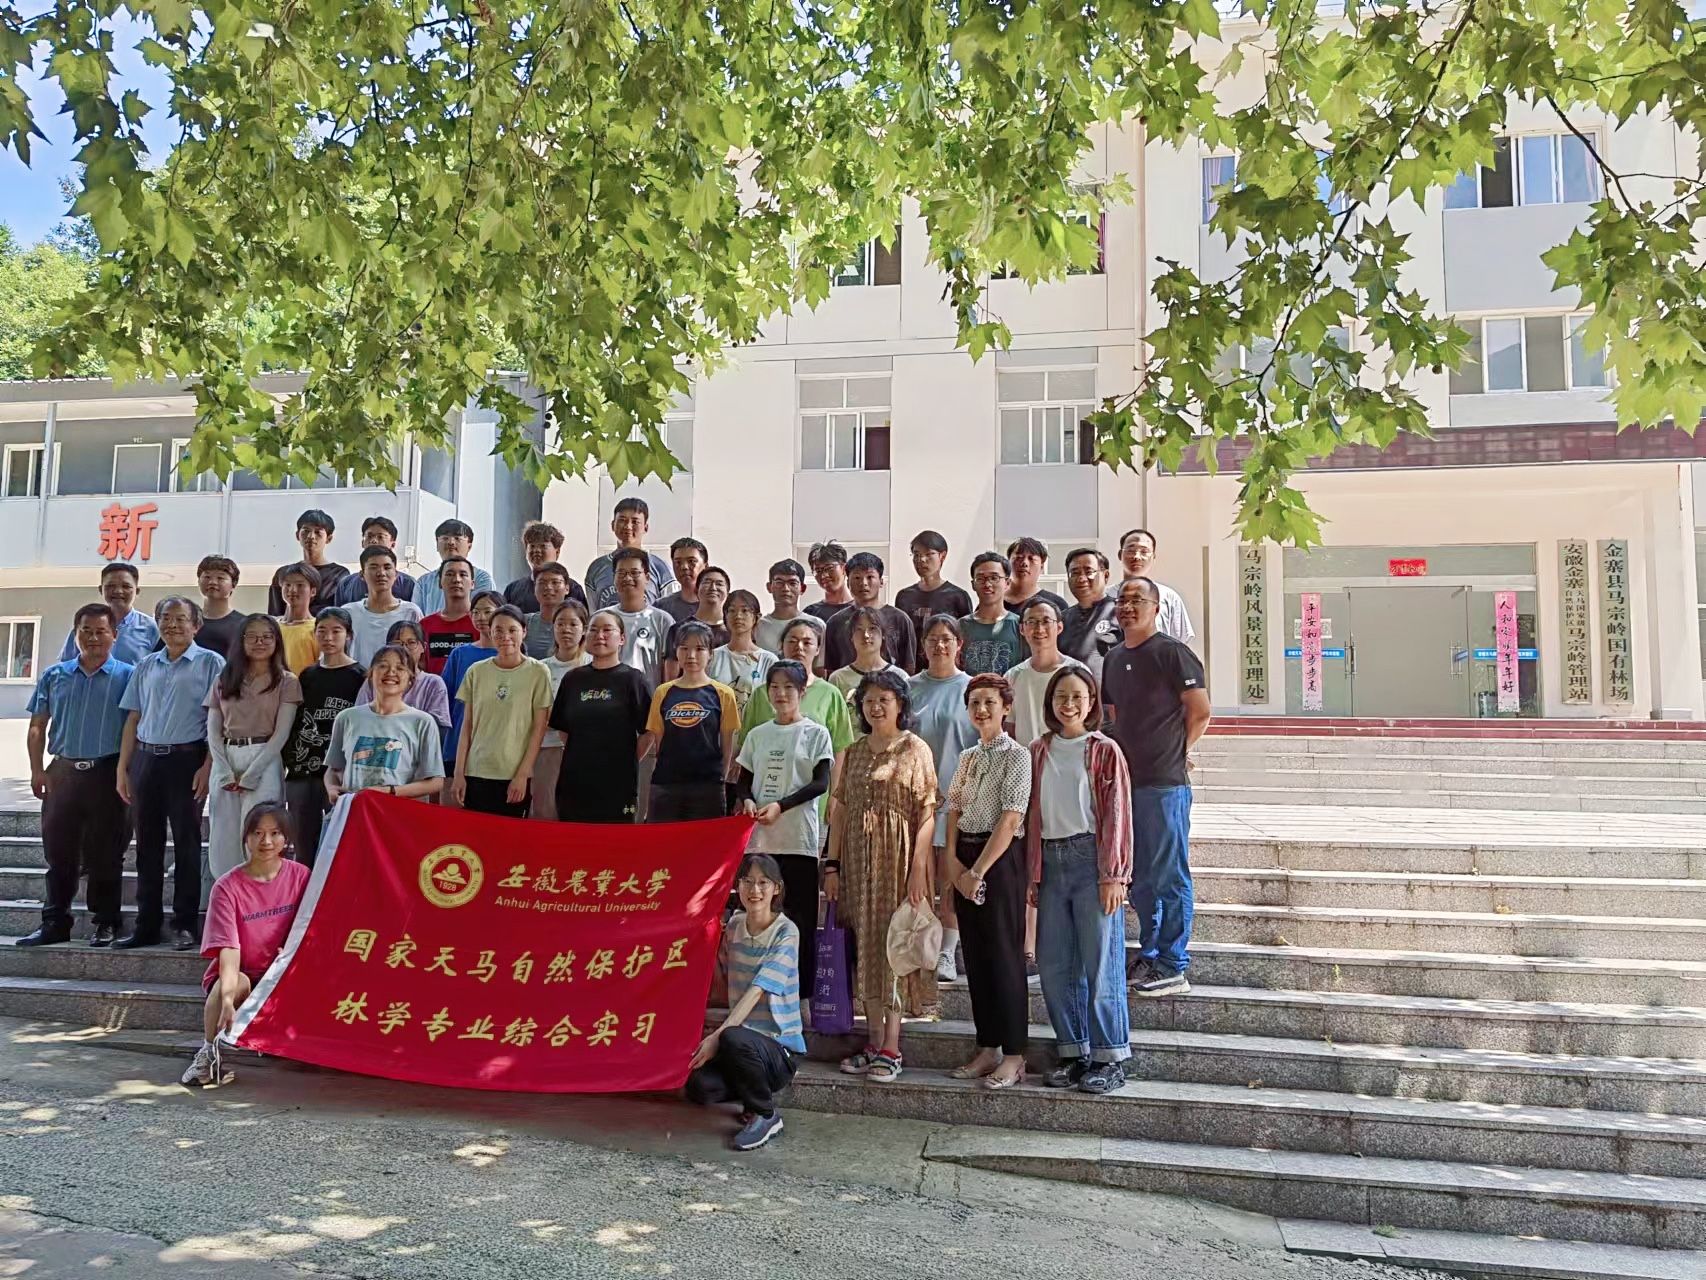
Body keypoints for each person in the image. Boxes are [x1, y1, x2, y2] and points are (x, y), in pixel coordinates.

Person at [827, 670, 939, 1083]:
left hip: (899, 863)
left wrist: (918, 870)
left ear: (900, 705)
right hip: (858, 865)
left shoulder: (915, 749)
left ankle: (892, 1045)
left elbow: (927, 813)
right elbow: (840, 811)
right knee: (866, 947)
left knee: (894, 948)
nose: (876, 707)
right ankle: (873, 1040)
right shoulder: (854, 752)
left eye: (884, 699)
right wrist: (832, 865)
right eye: (869, 700)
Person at [1102, 577, 1211, 997]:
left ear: (1156, 606)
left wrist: (1176, 750)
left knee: (1169, 874)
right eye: (1122, 600)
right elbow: (1114, 715)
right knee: (1142, 876)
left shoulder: (1173, 653)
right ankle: (1149, 954)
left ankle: (1173, 963)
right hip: (1126, 783)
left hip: (1165, 784)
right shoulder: (1114, 658)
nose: (1128, 607)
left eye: (1137, 600)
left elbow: (1200, 712)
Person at [1028, 666, 1133, 1094]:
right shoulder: (1038, 750)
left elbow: (1118, 814)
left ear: (1091, 703)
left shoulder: (1104, 750)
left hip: (1092, 861)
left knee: (1100, 963)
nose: (1068, 704)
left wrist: (1114, 875)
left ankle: (1111, 1057)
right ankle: (1074, 1052)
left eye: (1077, 696)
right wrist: (1033, 874)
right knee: (1054, 966)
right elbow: (1031, 816)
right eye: (1061, 696)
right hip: (1051, 863)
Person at [18, 603, 134, 948]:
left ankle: (106, 922)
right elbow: (37, 726)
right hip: (62, 773)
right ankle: (55, 922)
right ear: (75, 634)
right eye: (86, 631)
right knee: (59, 852)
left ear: (114, 635)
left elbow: (136, 727)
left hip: (108, 774)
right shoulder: (55, 675)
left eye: (101, 631)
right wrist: (37, 770)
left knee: (107, 853)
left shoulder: (129, 676)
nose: (94, 638)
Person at [115, 597, 223, 951]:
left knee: (187, 844)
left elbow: (218, 720)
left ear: (196, 625)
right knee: (147, 845)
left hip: (187, 760)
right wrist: (123, 768)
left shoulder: (211, 663)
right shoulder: (146, 665)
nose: (172, 625)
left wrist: (208, 765)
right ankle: (146, 925)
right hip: (146, 760)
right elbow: (133, 717)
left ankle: (184, 925)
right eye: (165, 618)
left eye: (180, 618)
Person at [942, 673, 1032, 1089]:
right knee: (976, 958)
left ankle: (1014, 1054)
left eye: (989, 702)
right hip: (964, 856)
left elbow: (1011, 818)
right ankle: (987, 1046)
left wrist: (977, 872)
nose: (981, 710)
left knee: (1004, 957)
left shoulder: (1018, 756)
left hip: (999, 861)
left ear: (1006, 707)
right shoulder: (967, 757)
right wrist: (952, 863)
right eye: (974, 703)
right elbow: (954, 810)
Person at [183, 802, 309, 1087]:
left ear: (286, 838)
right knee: (229, 985)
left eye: (275, 833)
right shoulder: (227, 887)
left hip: (284, 973)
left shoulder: (301, 876)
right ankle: (208, 1054)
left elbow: (309, 929)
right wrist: (228, 998)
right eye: (258, 833)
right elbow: (229, 948)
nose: (266, 841)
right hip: (243, 973)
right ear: (246, 837)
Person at [686, 853, 805, 1151]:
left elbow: (757, 990)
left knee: (732, 1036)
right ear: (737, 886)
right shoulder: (735, 927)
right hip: (739, 1045)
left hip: (777, 1049)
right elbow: (719, 981)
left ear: (777, 888)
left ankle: (766, 1114)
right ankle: (749, 1099)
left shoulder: (786, 932)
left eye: (764, 882)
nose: (755, 890)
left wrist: (716, 1036)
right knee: (699, 1086)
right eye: (747, 881)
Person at [736, 662, 833, 1001]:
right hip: (760, 844)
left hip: (798, 842)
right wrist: (748, 801)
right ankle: (757, 996)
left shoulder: (816, 734)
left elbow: (820, 783)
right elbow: (743, 782)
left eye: (789, 687)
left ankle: (801, 998)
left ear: (802, 692)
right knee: (760, 917)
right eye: (774, 687)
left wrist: (782, 805)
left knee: (800, 921)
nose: (781, 693)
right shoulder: (757, 735)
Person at [204, 615, 301, 889]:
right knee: (223, 837)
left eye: (267, 636)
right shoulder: (224, 678)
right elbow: (213, 729)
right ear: (241, 641)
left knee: (262, 835)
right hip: (226, 757)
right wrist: (223, 768)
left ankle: (260, 898)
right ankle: (227, 897)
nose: (260, 642)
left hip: (264, 758)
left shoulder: (287, 681)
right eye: (252, 636)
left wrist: (254, 772)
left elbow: (281, 733)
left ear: (277, 641)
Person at [908, 615, 976, 984]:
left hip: (957, 798)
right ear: (923, 645)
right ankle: (922, 945)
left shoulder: (970, 689)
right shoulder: (910, 688)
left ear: (958, 644)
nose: (939, 645)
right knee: (920, 875)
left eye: (947, 638)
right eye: (932, 639)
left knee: (949, 877)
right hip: (915, 798)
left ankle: (948, 950)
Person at [549, 610, 655, 823]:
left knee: (615, 839)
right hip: (575, 780)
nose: (600, 636)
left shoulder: (634, 680)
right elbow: (563, 730)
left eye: (607, 630)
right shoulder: (573, 679)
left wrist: (627, 759)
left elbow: (649, 731)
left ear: (622, 638)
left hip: (619, 782)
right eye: (593, 630)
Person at [282, 607, 365, 865]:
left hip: (340, 772)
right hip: (302, 771)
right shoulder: (307, 675)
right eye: (322, 631)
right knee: (302, 846)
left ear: (348, 635)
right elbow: (296, 720)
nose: (328, 637)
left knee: (338, 847)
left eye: (336, 631)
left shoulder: (360, 676)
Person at [452, 605, 552, 817]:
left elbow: (539, 728)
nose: (505, 637)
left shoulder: (538, 672)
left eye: (512, 630)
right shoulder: (476, 671)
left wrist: (523, 774)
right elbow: (467, 726)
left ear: (524, 631)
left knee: (511, 835)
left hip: (513, 774)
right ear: (490, 632)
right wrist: (459, 773)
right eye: (498, 630)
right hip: (476, 771)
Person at [325, 646, 446, 800]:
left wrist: (390, 791)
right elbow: (333, 770)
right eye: (383, 666)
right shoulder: (346, 718)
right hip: (355, 809)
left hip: (398, 812)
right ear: (371, 675)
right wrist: (332, 788)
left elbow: (435, 782)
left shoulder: (423, 722)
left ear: (410, 680)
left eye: (400, 668)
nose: (391, 672)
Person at [646, 621, 737, 821]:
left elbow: (727, 745)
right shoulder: (663, 692)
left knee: (704, 840)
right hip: (666, 785)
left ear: (710, 654)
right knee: (664, 839)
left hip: (707, 787)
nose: (691, 655)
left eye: (699, 649)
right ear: (676, 652)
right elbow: (659, 742)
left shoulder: (723, 693)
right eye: (684, 648)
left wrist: (719, 780)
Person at [738, 619, 854, 762]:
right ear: (781, 646)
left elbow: (839, 748)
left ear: (818, 649)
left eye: (807, 643)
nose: (799, 647)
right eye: (792, 641)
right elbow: (746, 744)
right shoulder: (762, 693)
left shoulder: (830, 694)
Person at [530, 602, 590, 820]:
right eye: (560, 624)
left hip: (586, 751)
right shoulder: (540, 668)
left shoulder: (594, 665)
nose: (566, 630)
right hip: (547, 748)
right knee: (546, 810)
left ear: (584, 629)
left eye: (573, 624)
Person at [441, 590, 503, 783]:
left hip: (496, 744)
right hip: (458, 738)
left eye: (487, 611)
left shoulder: (511, 656)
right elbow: (446, 699)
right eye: (475, 612)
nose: (481, 617)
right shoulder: (459, 654)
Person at [1005, 598, 1086, 746]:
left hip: (1068, 757)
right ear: (1022, 629)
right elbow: (1009, 727)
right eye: (1031, 622)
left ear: (1059, 627)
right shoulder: (1012, 676)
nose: (1039, 629)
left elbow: (1088, 723)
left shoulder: (1078, 672)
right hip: (1026, 759)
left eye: (1046, 621)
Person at [822, 552, 917, 674]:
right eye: (857, 578)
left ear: (881, 581)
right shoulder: (835, 622)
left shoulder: (900, 619)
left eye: (870, 577)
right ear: (848, 583)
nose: (864, 583)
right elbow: (831, 669)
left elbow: (908, 667)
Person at [354, 620, 452, 735]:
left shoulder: (433, 683)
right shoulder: (375, 680)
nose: (404, 649)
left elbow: (437, 728)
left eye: (411, 643)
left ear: (423, 647)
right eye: (397, 643)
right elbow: (360, 718)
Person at [895, 531, 972, 673]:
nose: (921, 560)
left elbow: (965, 641)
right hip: (912, 673)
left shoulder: (958, 596)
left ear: (942, 556)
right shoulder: (904, 596)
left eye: (929, 554)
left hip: (946, 671)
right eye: (916, 555)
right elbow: (901, 640)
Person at [584, 497, 676, 608]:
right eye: (622, 520)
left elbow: (669, 609)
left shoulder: (660, 568)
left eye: (635, 522)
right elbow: (593, 611)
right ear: (613, 525)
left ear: (645, 527)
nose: (628, 526)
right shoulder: (596, 568)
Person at [58, 561, 157, 664]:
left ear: (137, 591)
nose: (118, 591)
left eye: (126, 586)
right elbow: (66, 666)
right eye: (111, 586)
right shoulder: (85, 626)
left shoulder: (151, 628)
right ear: (101, 590)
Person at [828, 606, 907, 730]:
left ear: (883, 635)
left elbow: (906, 720)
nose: (865, 635)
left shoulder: (900, 676)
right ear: (851, 637)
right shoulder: (838, 679)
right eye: (859, 630)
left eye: (872, 629)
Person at [708, 589, 776, 728]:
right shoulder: (712, 657)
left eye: (745, 611)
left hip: (755, 732)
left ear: (756, 617)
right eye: (732, 611)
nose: (738, 616)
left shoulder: (768, 661)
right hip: (718, 732)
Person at [610, 547, 677, 689]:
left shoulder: (663, 620)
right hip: (610, 697)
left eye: (634, 572)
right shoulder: (602, 618)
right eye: (621, 573)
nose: (627, 578)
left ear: (647, 577)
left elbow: (670, 667)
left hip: (650, 699)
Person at [346, 544, 424, 665]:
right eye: (373, 567)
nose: (381, 573)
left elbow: (420, 657)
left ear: (396, 574)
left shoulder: (411, 612)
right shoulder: (349, 612)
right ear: (362, 575)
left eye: (387, 567)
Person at [1118, 529, 1196, 644]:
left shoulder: (1169, 597)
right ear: (1120, 555)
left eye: (1144, 551)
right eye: (1131, 550)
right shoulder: (1105, 598)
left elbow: (1179, 644)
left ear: (1153, 556)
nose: (1137, 556)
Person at [266, 509, 348, 613]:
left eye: (318, 532)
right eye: (306, 531)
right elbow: (274, 614)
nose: (311, 536)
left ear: (329, 538)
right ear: (297, 535)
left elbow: (341, 614)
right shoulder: (284, 574)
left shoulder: (339, 574)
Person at [1059, 547, 1120, 681]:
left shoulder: (1121, 613)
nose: (1081, 578)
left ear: (1106, 576)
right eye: (1075, 573)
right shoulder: (1061, 619)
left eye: (1089, 572)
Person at [414, 519, 498, 615]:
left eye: (457, 538)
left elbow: (483, 617)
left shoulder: (482, 579)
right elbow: (416, 618)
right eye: (445, 538)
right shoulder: (423, 582)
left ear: (469, 546)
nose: (451, 542)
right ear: (437, 544)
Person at [961, 552, 1025, 675]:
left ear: (1007, 583)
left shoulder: (1020, 626)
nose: (987, 584)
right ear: (973, 584)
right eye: (980, 579)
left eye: (994, 578)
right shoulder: (961, 626)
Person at [663, 565, 731, 680]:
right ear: (696, 590)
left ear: (727, 593)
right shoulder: (678, 629)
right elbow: (670, 677)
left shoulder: (732, 631)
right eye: (707, 582)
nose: (713, 588)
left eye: (719, 584)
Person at [333, 516, 419, 605]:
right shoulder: (346, 584)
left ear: (393, 544)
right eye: (369, 536)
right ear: (362, 542)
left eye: (380, 537)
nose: (374, 541)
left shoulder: (408, 584)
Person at [503, 522, 586, 613]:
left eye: (543, 546)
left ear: (557, 552)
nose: (537, 550)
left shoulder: (573, 588)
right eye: (532, 546)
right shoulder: (513, 589)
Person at [419, 556, 480, 675]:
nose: (456, 579)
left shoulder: (481, 623)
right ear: (440, 583)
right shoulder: (424, 625)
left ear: (472, 584)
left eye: (463, 574)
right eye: (450, 574)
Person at [754, 559, 824, 656]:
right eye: (779, 582)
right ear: (769, 587)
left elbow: (820, 664)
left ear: (802, 588)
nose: (786, 588)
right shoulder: (757, 627)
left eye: (793, 583)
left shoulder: (817, 625)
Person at [191, 555, 249, 659]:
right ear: (198, 581)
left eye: (220, 578)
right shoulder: (188, 621)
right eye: (207, 577)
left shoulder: (244, 624)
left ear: (233, 584)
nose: (212, 582)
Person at [523, 562, 580, 659]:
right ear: (534, 588)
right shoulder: (524, 622)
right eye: (542, 583)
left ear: (567, 588)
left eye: (555, 582)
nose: (548, 587)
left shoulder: (577, 623)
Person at [1004, 537, 1070, 620]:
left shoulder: (1057, 604)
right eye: (1019, 557)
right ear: (1008, 563)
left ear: (1041, 567)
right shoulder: (993, 599)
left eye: (1031, 559)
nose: (1024, 563)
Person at [275, 562, 322, 676]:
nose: (292, 590)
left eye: (300, 585)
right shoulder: (272, 626)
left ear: (313, 591)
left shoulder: (318, 628)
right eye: (287, 585)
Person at [658, 537, 710, 624]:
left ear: (706, 566)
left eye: (691, 561)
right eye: (678, 562)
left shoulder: (722, 604)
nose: (684, 567)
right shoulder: (661, 607)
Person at [804, 541, 853, 623]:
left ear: (844, 568)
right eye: (818, 571)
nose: (824, 575)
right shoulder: (810, 613)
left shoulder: (861, 609)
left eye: (829, 568)